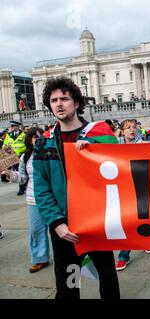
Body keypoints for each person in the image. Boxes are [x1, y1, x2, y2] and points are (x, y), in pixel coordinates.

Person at [33, 77, 120, 299]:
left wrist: (95, 151)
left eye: (64, 98)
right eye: (53, 100)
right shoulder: (44, 143)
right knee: (69, 283)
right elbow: (41, 189)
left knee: (107, 278)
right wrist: (57, 223)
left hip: (96, 223)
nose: (59, 104)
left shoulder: (98, 135)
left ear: (77, 103)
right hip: (64, 228)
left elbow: (121, 167)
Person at [1, 127, 50, 273]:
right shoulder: (26, 157)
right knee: (36, 230)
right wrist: (9, 173)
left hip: (51, 197)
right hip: (33, 198)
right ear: (29, 140)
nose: (38, 139)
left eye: (40, 136)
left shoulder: (52, 153)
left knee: (59, 230)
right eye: (34, 137)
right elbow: (22, 178)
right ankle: (40, 258)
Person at [115, 119, 150, 271]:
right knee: (127, 221)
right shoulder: (114, 145)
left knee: (143, 216)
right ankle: (124, 255)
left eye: (134, 127)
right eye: (128, 128)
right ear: (122, 131)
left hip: (141, 184)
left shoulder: (143, 144)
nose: (132, 130)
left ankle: (145, 242)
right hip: (123, 187)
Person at [2, 121, 27, 195]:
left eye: (13, 126)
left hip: (22, 155)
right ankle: (22, 188)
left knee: (22, 171)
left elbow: (27, 144)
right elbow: (5, 145)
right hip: (12, 156)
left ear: (17, 126)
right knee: (17, 171)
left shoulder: (24, 134)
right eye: (11, 126)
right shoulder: (9, 135)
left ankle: (23, 187)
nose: (12, 128)